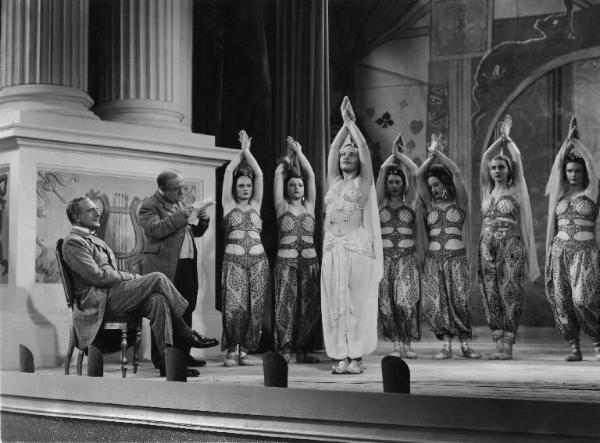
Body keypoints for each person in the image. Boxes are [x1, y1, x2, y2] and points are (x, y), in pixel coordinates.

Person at [61, 197, 218, 376]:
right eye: (91, 210)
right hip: (98, 301)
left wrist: (126, 279)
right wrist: (131, 276)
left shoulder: (94, 239)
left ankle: (168, 365)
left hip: (111, 295)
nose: (98, 213)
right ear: (76, 216)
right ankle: (187, 333)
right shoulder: (73, 242)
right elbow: (97, 277)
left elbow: (106, 276)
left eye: (97, 209)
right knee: (158, 277)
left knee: (158, 300)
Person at [321, 96, 383, 375]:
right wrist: (342, 128)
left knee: (358, 304)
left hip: (356, 248)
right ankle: (341, 354)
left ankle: (356, 356)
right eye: (344, 154)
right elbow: (333, 149)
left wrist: (352, 126)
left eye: (351, 154)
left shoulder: (363, 181)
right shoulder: (333, 182)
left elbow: (365, 152)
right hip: (333, 249)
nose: (346, 156)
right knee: (335, 305)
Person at [139, 170, 218, 374]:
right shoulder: (149, 205)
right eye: (177, 188)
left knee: (186, 307)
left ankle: (182, 354)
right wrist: (181, 216)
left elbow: (193, 231)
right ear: (163, 189)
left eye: (183, 187)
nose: (182, 192)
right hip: (166, 267)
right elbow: (154, 230)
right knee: (165, 310)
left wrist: (203, 220)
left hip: (187, 264)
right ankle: (163, 359)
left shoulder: (180, 203)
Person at [478, 115, 540, 360]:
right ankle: (498, 345)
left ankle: (509, 344)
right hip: (486, 246)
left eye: (501, 167)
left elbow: (517, 158)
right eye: (494, 168)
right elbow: (484, 158)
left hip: (511, 246)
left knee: (509, 291)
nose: (496, 170)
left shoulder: (515, 189)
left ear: (508, 170)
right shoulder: (487, 190)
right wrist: (497, 143)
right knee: (490, 293)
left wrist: (507, 139)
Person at [417, 134, 480, 360]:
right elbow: (418, 174)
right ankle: (445, 346)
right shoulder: (430, 204)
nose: (432, 189)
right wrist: (431, 155)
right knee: (435, 303)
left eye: (436, 185)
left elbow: (457, 173)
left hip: (456, 259)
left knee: (459, 301)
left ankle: (465, 345)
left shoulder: (459, 202)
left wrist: (439, 154)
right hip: (433, 261)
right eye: (431, 186)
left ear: (445, 183)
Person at [545, 117, 600, 362]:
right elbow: (556, 168)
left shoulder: (591, 192)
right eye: (569, 170)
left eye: (577, 170)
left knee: (583, 299)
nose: (573, 174)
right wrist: (566, 145)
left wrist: (576, 141)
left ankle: (598, 341)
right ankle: (574, 347)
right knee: (563, 301)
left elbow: (592, 165)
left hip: (585, 252)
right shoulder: (559, 194)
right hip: (559, 252)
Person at [221, 130, 269, 367]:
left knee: (254, 308)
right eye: (241, 186)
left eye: (248, 186)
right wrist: (240, 153)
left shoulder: (256, 205)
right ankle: (232, 348)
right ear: (235, 188)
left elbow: (259, 173)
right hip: (234, 261)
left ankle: (244, 350)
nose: (245, 188)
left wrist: (248, 153)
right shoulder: (228, 205)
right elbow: (229, 172)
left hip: (259, 262)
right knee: (234, 307)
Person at [273, 136, 321, 364]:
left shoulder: (310, 206)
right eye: (292, 184)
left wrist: (299, 152)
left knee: (309, 307)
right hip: (286, 263)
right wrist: (288, 157)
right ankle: (285, 349)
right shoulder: (281, 206)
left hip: (310, 262)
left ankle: (303, 350)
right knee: (286, 304)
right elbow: (277, 176)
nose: (296, 187)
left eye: (299, 185)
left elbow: (311, 175)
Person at [376, 132, 421, 358]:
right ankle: (395, 344)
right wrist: (390, 158)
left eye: (398, 181)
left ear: (403, 184)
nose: (394, 184)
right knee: (386, 305)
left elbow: (416, 172)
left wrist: (399, 156)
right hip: (384, 261)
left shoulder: (411, 202)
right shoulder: (380, 204)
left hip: (406, 260)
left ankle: (407, 343)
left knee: (406, 302)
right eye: (391, 182)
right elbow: (383, 171)